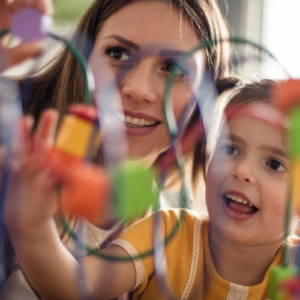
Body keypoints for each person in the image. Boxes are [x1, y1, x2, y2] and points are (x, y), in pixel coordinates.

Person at [0, 0, 231, 299]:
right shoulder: (10, 140)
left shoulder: (169, 240)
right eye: (118, 54)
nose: (138, 88)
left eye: (173, 68)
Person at [4, 74, 295, 300]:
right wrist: (34, 226)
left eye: (274, 164)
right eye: (230, 149)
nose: (242, 171)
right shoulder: (167, 233)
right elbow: (75, 289)